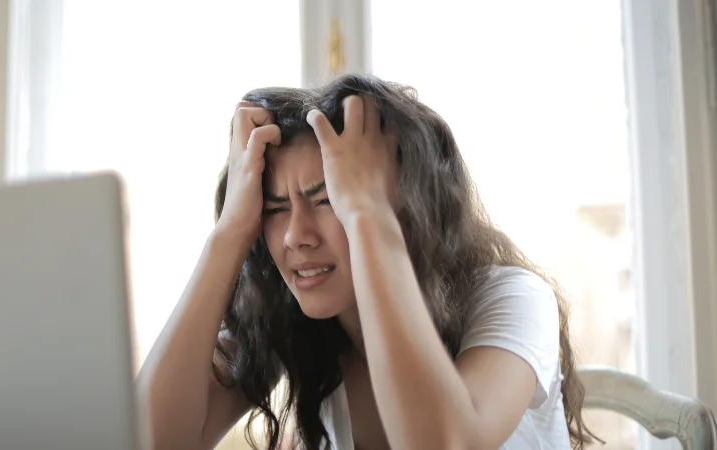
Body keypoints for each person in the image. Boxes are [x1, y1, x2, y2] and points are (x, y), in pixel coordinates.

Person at [137, 74, 596, 450]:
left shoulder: (514, 298)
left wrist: (367, 215)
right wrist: (230, 232)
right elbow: (148, 441)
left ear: (406, 204)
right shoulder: (295, 321)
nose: (296, 236)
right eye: (275, 208)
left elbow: (445, 444)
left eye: (329, 200)